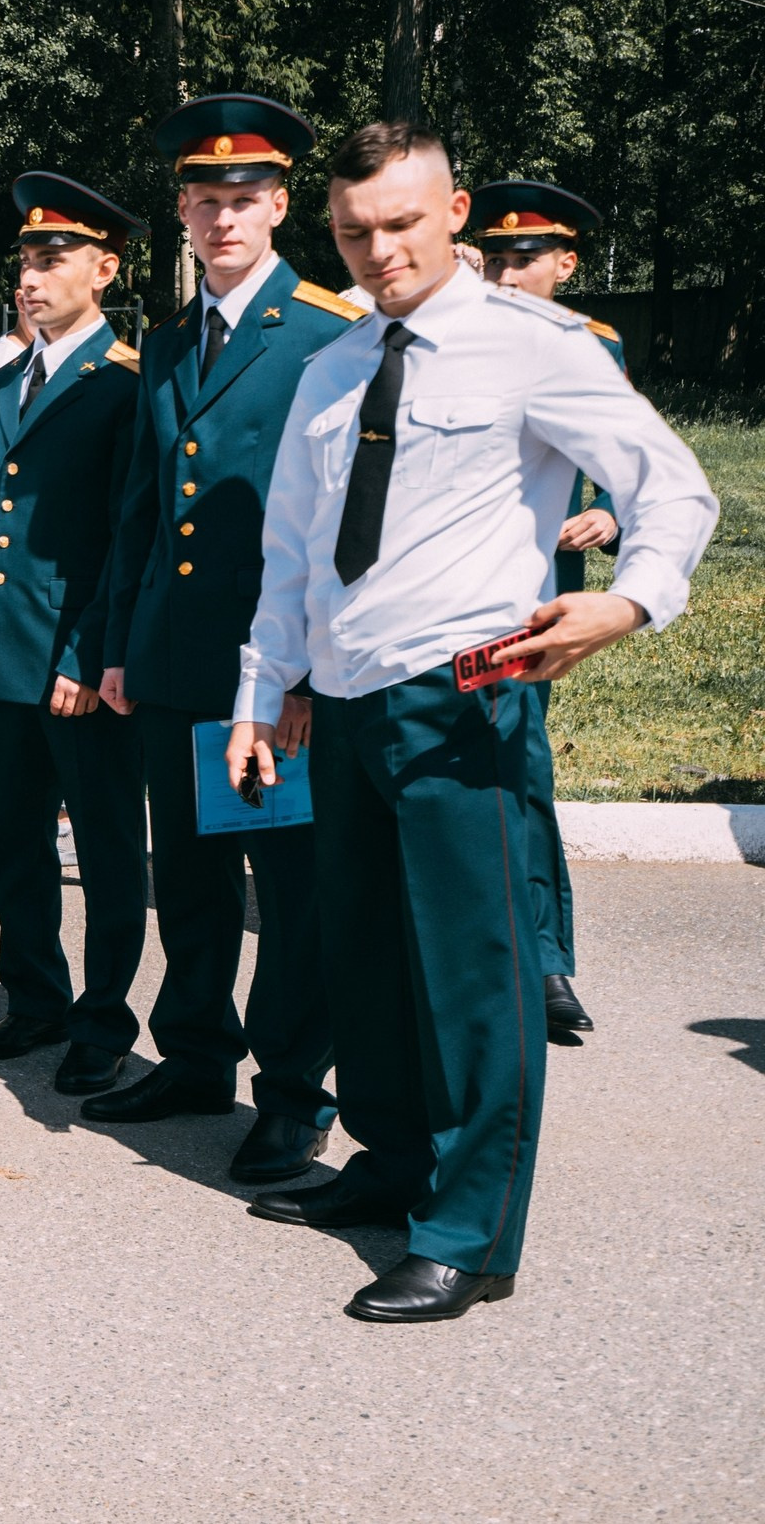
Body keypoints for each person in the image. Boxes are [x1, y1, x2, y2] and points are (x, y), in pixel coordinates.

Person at [231, 121, 716, 1321]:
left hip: (462, 697)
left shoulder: (534, 348)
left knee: (472, 975)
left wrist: (630, 602)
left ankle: (467, 1231)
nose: (379, 250)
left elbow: (672, 486)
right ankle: (394, 1167)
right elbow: (290, 546)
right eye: (353, 231)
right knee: (369, 963)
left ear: (453, 213)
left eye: (401, 223)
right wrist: (267, 685)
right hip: (341, 704)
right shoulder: (333, 366)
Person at [88, 95, 363, 1184]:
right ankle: (196, 1056)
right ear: (183, 214)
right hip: (171, 660)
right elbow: (142, 512)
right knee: (190, 881)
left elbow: (341, 525)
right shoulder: (163, 343)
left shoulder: (326, 335)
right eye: (203, 201)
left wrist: (297, 673)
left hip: (275, 671)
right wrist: (119, 646)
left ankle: (293, 1094)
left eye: (243, 199)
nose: (221, 218)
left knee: (286, 894)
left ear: (281, 205)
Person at [0, 174, 151, 1094]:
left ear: (104, 269)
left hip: (77, 661)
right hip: (0, 653)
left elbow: (127, 535)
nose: (31, 277)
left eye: (53, 259)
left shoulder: (126, 384)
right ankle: (34, 994)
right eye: (26, 260)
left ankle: (104, 1019)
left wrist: (86, 651)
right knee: (17, 840)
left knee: (109, 846)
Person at [471, 179, 623, 1042]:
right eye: (495, 256)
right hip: (439, 599)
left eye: (526, 258)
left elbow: (629, 461)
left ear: (566, 263)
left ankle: (544, 957)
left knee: (517, 768)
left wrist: (609, 513)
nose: (507, 272)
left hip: (532, 604)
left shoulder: (592, 347)